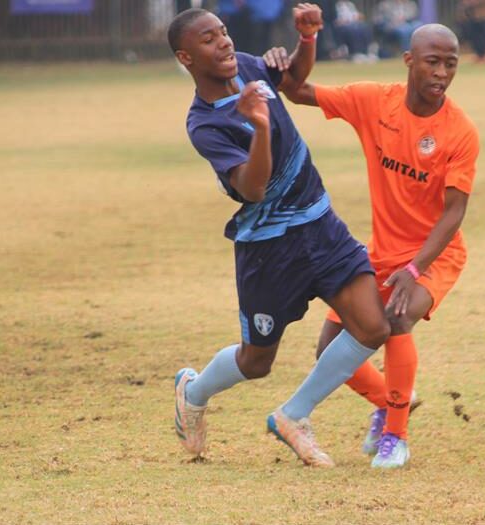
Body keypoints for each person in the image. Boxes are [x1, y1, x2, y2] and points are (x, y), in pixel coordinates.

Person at [167, 4, 392, 468]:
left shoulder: (249, 65)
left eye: (223, 32)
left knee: (372, 326)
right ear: (186, 59)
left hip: (320, 223)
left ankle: (294, 415)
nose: (224, 42)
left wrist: (306, 40)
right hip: (269, 249)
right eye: (208, 40)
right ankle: (194, 391)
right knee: (256, 362)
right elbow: (253, 187)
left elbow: (291, 80)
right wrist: (261, 126)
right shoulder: (204, 124)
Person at [264, 23, 479, 468]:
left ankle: (395, 438)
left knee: (397, 318)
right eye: (432, 62)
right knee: (329, 350)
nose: (441, 73)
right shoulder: (372, 101)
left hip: (434, 255)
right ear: (409, 61)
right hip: (380, 252)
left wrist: (416, 268)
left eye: (450, 64)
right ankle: (391, 400)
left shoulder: (460, 131)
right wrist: (301, 44)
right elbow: (297, 91)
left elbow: (453, 212)